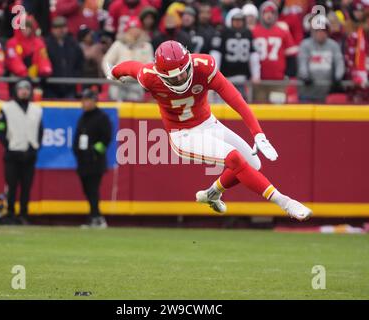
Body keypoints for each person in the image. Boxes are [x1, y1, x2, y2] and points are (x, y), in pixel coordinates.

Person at [108, 40, 312, 221]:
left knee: (253, 163)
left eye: (182, 74)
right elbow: (129, 67)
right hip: (182, 134)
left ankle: (212, 193)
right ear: (160, 74)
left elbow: (234, 98)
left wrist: (257, 132)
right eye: (173, 79)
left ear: (189, 62)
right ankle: (285, 202)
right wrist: (114, 72)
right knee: (234, 159)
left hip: (208, 123)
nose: (179, 80)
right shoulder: (149, 76)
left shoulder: (204, 67)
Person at [0, 80, 44, 225]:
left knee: (26, 186)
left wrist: (34, 147)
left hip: (29, 153)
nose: (24, 92)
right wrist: (9, 145)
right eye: (21, 89)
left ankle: (24, 214)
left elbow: (40, 131)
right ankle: (10, 212)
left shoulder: (37, 110)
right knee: (12, 185)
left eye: (27, 89)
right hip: (12, 154)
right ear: (15, 91)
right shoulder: (6, 108)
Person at [73, 89, 112, 228]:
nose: (84, 103)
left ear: (94, 101)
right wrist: (78, 152)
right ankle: (93, 216)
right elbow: (77, 138)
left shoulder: (102, 117)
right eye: (83, 100)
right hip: (83, 161)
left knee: (93, 189)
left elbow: (106, 139)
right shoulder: (83, 117)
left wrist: (94, 151)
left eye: (86, 100)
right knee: (87, 190)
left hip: (95, 162)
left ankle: (97, 217)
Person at [252, 1, 298, 103]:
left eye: (272, 13)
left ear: (276, 15)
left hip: (278, 81)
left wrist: (288, 75)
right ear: (261, 14)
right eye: (266, 12)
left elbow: (291, 56)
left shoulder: (283, 32)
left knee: (278, 112)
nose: (269, 15)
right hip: (260, 82)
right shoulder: (254, 32)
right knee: (259, 111)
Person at [102, 16, 154, 101]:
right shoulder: (119, 44)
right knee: (117, 106)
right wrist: (111, 75)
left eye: (137, 28)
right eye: (132, 28)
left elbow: (150, 65)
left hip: (136, 83)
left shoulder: (146, 46)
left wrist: (143, 78)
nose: (134, 31)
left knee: (135, 107)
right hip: (119, 83)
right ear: (127, 30)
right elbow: (106, 61)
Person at [297, 16, 345, 103]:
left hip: (326, 93)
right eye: (318, 30)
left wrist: (338, 77)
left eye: (323, 30)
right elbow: (302, 63)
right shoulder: (305, 45)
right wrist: (305, 76)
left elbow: (339, 62)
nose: (320, 33)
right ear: (313, 31)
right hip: (307, 91)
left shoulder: (334, 45)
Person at [44, 16, 84, 99]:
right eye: (57, 27)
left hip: (70, 86)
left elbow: (80, 62)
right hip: (51, 87)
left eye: (63, 27)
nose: (60, 30)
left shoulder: (73, 43)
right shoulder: (46, 44)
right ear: (53, 29)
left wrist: (75, 76)